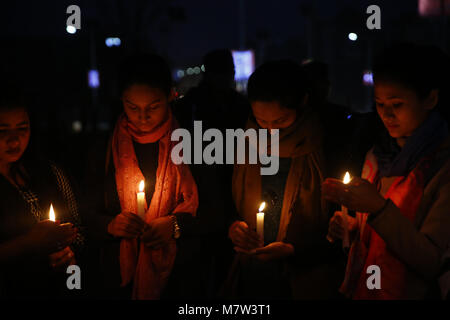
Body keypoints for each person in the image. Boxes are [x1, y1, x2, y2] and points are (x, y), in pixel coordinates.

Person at [323, 43, 450, 299]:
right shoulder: (377, 157)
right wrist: (351, 227)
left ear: (431, 99)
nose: (386, 114)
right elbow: (373, 238)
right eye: (380, 104)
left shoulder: (442, 166)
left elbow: (433, 261)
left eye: (397, 104)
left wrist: (379, 209)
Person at [224, 60, 343, 299]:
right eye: (262, 121)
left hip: (308, 278)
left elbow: (341, 231)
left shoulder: (328, 144)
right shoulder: (240, 143)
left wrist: (294, 250)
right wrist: (233, 226)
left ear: (303, 102)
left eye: (279, 121)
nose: (270, 131)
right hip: (252, 278)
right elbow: (221, 201)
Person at [97, 54, 198, 300]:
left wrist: (175, 225)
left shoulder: (194, 144)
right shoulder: (105, 147)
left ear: (170, 97)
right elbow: (85, 210)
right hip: (119, 277)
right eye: (132, 107)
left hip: (180, 277)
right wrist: (110, 225)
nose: (142, 117)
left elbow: (214, 212)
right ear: (121, 100)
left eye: (153, 107)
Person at [0, 83, 84, 298]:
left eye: (22, 128)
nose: (14, 140)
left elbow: (79, 226)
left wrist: (68, 251)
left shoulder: (50, 172)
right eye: (2, 130)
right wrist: (30, 242)